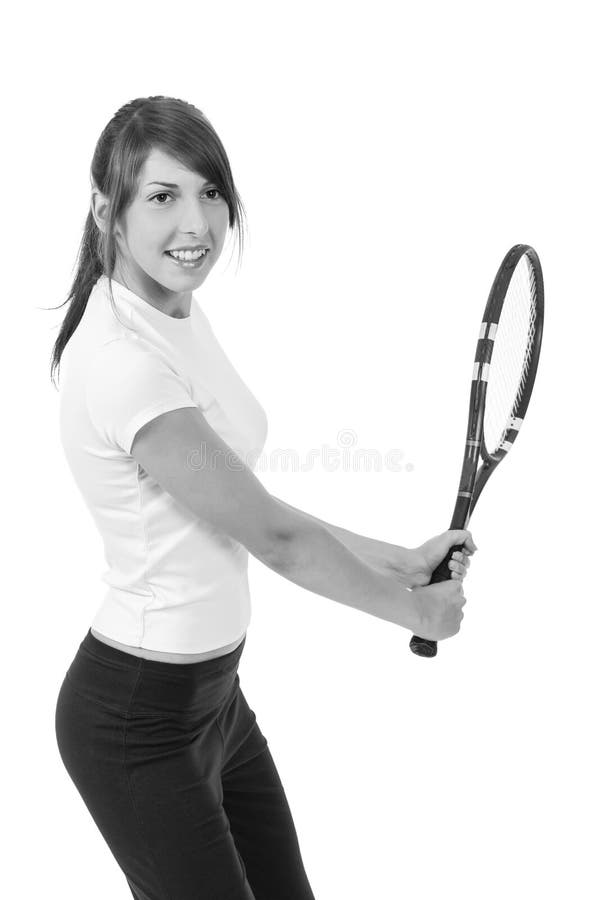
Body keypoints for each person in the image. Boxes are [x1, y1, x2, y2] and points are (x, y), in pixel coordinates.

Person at [51, 95, 477, 900]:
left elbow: (251, 509)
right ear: (106, 207)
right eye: (163, 196)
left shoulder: (172, 311)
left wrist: (399, 559)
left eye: (210, 192)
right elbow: (277, 542)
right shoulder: (121, 362)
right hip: (136, 723)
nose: (198, 224)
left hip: (215, 706)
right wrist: (415, 613)